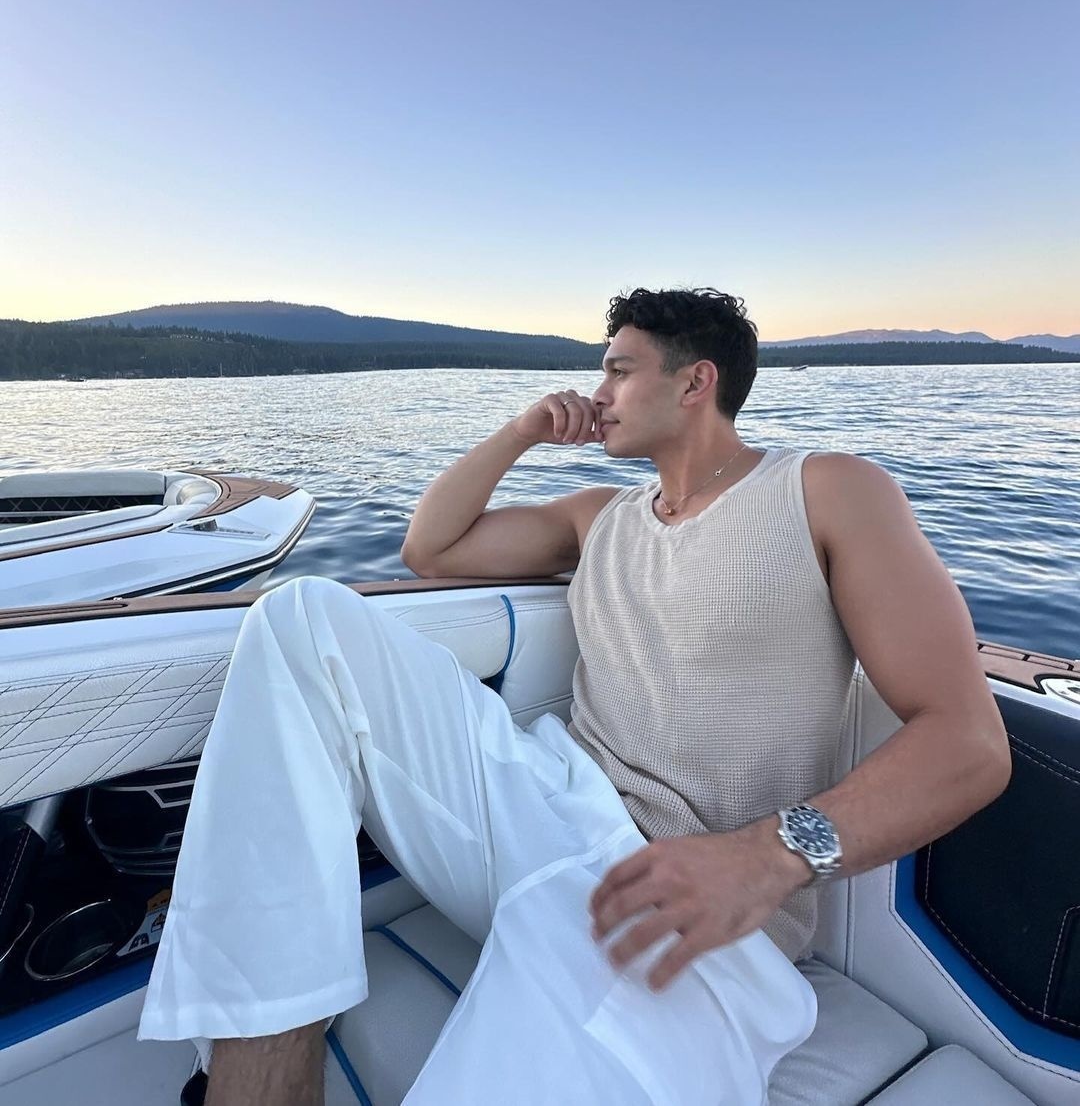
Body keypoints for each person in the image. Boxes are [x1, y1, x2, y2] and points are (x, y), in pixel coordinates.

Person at [141, 287, 1012, 1106]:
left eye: (619, 371)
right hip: (544, 802)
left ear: (695, 383)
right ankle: (268, 1068)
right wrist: (520, 431)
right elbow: (430, 549)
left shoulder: (827, 488)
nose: (598, 394)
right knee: (301, 617)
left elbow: (968, 742)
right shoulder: (601, 515)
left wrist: (771, 855)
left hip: (681, 895)